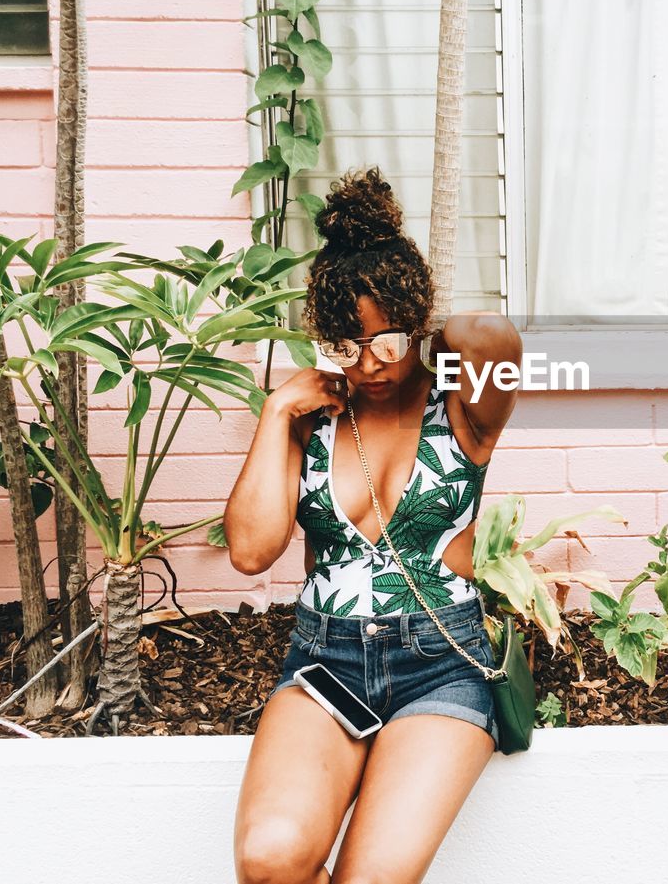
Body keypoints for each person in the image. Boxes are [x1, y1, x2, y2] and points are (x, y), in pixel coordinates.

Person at [225, 166, 522, 884]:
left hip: (442, 665)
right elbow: (250, 550)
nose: (370, 363)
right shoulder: (313, 416)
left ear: (415, 321)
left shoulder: (464, 410)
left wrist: (415, 324)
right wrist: (276, 413)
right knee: (270, 860)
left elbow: (495, 337)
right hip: (325, 659)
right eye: (345, 344)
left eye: (385, 340)